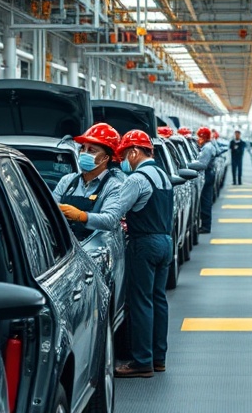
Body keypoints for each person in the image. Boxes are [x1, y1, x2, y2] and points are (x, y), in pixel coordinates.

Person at [107, 130, 174, 378]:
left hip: (144, 243)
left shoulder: (136, 179)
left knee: (140, 302)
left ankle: (141, 361)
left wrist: (84, 216)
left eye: (124, 155)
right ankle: (158, 358)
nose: (123, 161)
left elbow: (114, 213)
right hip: (165, 241)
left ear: (134, 152)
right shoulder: (163, 176)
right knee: (159, 301)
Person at [52, 123, 124, 240]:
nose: (84, 153)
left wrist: (82, 216)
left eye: (91, 150)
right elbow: (50, 208)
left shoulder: (114, 187)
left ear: (105, 158)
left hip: (92, 248)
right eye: (83, 148)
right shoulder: (67, 181)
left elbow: (111, 220)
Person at [195, 127, 216, 234]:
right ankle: (205, 225)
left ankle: (206, 226)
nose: (198, 139)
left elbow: (203, 164)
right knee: (206, 200)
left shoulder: (207, 148)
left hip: (207, 176)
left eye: (199, 137)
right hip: (209, 174)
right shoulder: (207, 146)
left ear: (203, 137)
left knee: (205, 201)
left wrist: (191, 165)